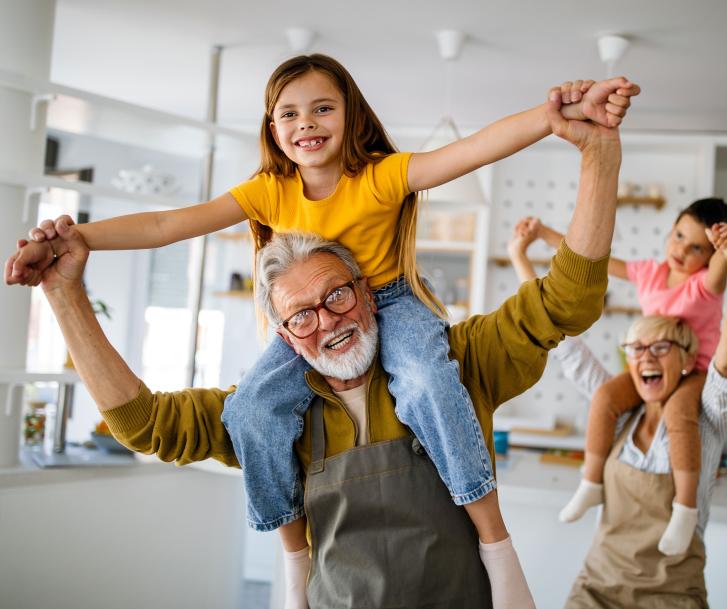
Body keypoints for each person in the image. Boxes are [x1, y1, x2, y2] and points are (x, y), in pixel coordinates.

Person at [5, 53, 638, 607]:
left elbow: (472, 154)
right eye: (289, 114)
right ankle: (291, 560)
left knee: (424, 382)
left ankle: (500, 548)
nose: (306, 123)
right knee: (251, 411)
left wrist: (557, 122)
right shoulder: (268, 195)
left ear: (351, 116)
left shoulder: (386, 189)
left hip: (401, 308)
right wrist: (74, 247)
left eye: (322, 108)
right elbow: (169, 227)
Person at [510, 222, 727, 608]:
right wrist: (519, 260)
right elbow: (563, 344)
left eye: (660, 347)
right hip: (596, 591)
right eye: (637, 349)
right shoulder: (621, 416)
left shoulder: (706, 419)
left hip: (673, 597)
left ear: (689, 360)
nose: (646, 358)